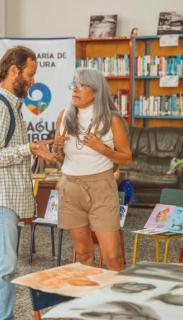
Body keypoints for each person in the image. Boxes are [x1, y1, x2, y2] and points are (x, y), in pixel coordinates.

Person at [0, 46, 56, 320]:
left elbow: (8, 151)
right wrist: (27, 150)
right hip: (3, 198)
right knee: (4, 266)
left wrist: (32, 150)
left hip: (6, 195)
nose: (33, 81)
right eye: (30, 75)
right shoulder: (0, 108)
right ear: (14, 71)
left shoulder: (12, 106)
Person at [53, 68, 132, 271]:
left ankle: (116, 301)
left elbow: (127, 157)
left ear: (96, 91)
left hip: (101, 187)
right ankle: (88, 301)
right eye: (74, 85)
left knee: (113, 257)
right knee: (83, 254)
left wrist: (102, 149)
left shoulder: (111, 119)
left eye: (82, 86)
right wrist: (57, 148)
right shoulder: (64, 116)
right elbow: (58, 158)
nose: (75, 90)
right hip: (70, 187)